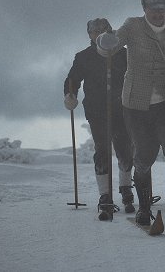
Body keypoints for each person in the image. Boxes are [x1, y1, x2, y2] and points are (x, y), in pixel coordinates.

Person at [96, 0, 165, 227]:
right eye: (153, 10)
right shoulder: (132, 26)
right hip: (135, 105)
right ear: (145, 10)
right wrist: (106, 42)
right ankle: (143, 209)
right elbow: (111, 46)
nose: (158, 14)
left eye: (162, 9)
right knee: (144, 157)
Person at [63, 18, 135, 217]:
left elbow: (137, 75)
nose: (98, 34)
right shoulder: (84, 57)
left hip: (123, 108)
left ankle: (126, 187)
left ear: (110, 31)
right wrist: (70, 95)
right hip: (96, 110)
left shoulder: (124, 54)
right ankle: (105, 195)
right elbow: (72, 79)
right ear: (89, 35)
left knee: (125, 149)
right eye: (94, 31)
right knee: (102, 149)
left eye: (102, 30)